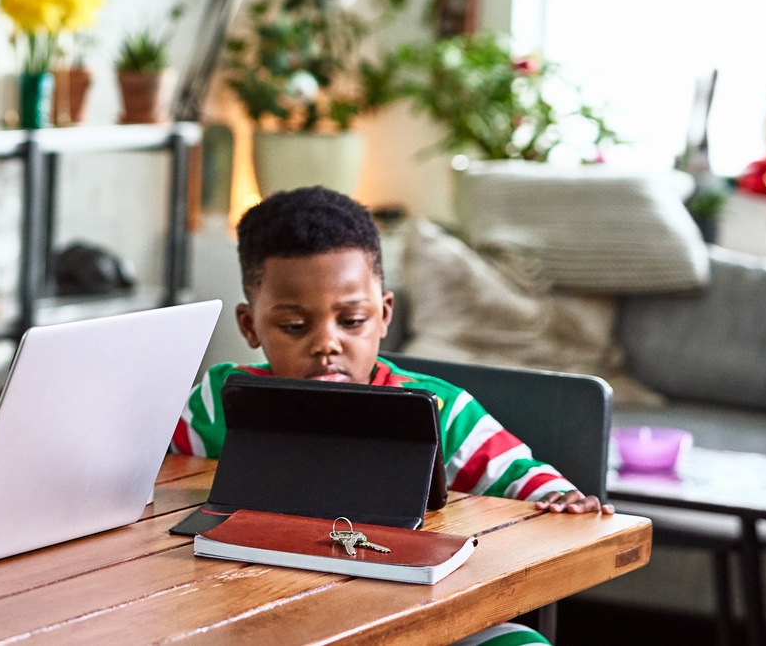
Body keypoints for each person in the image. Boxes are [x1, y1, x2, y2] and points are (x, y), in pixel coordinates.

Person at [171, 186, 612, 646]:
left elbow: (530, 485)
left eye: (352, 321)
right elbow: (148, 476)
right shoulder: (220, 401)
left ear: (383, 315)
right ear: (250, 326)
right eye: (295, 327)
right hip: (263, 618)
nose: (327, 344)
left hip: (425, 625)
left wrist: (563, 497)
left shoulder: (441, 410)